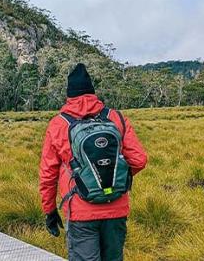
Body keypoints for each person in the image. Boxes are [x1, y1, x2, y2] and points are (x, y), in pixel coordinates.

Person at [39, 63, 148, 261]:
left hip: (80, 211)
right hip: (116, 208)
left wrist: (49, 211)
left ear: (69, 95)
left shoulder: (58, 124)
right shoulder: (115, 117)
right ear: (92, 92)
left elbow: (48, 174)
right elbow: (139, 159)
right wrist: (115, 175)